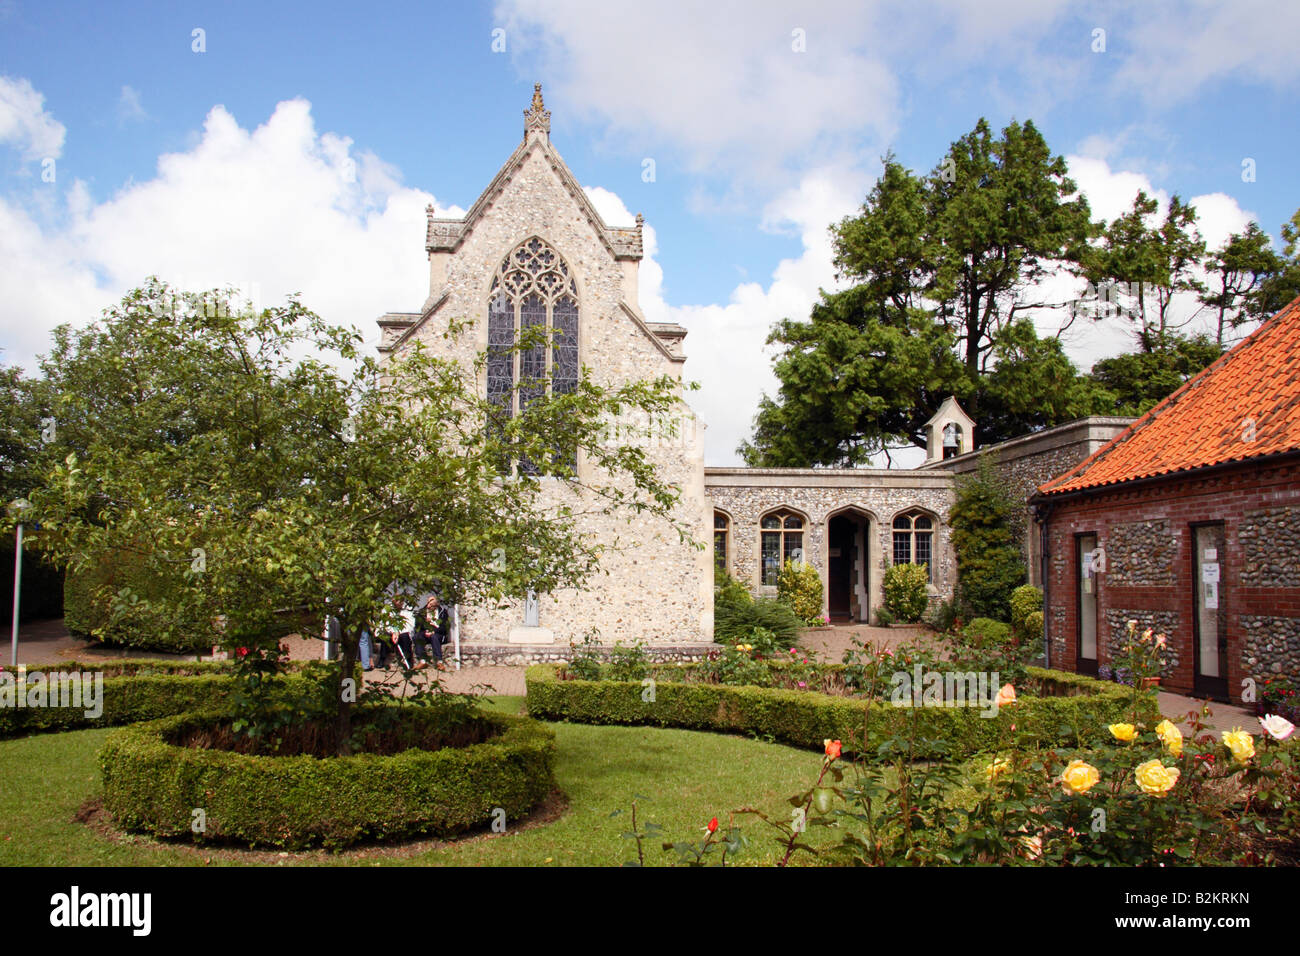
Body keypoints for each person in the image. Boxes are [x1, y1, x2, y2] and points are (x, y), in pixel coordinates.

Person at [415, 593, 450, 671]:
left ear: (436, 605)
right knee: (418, 636)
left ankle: (439, 662)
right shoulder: (422, 612)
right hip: (426, 632)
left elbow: (444, 628)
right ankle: (422, 661)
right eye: (428, 604)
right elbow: (417, 626)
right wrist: (425, 625)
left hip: (438, 634)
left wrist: (434, 630)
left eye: (431, 605)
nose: (428, 606)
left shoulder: (443, 612)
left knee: (434, 637)